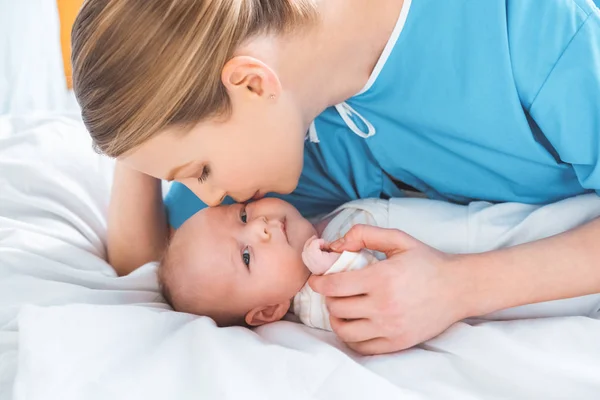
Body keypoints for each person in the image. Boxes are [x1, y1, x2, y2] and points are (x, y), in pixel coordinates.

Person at [71, 0, 600, 354]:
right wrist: (137, 133)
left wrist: (460, 286)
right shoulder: (310, 125)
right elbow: (149, 264)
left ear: (252, 85)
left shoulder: (535, 31)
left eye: (200, 170)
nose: (210, 196)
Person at [159, 194, 600, 339]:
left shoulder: (323, 219)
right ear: (271, 311)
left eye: (241, 214)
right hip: (544, 279)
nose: (262, 227)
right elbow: (378, 289)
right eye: (248, 256)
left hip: (533, 232)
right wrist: (336, 265)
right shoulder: (320, 302)